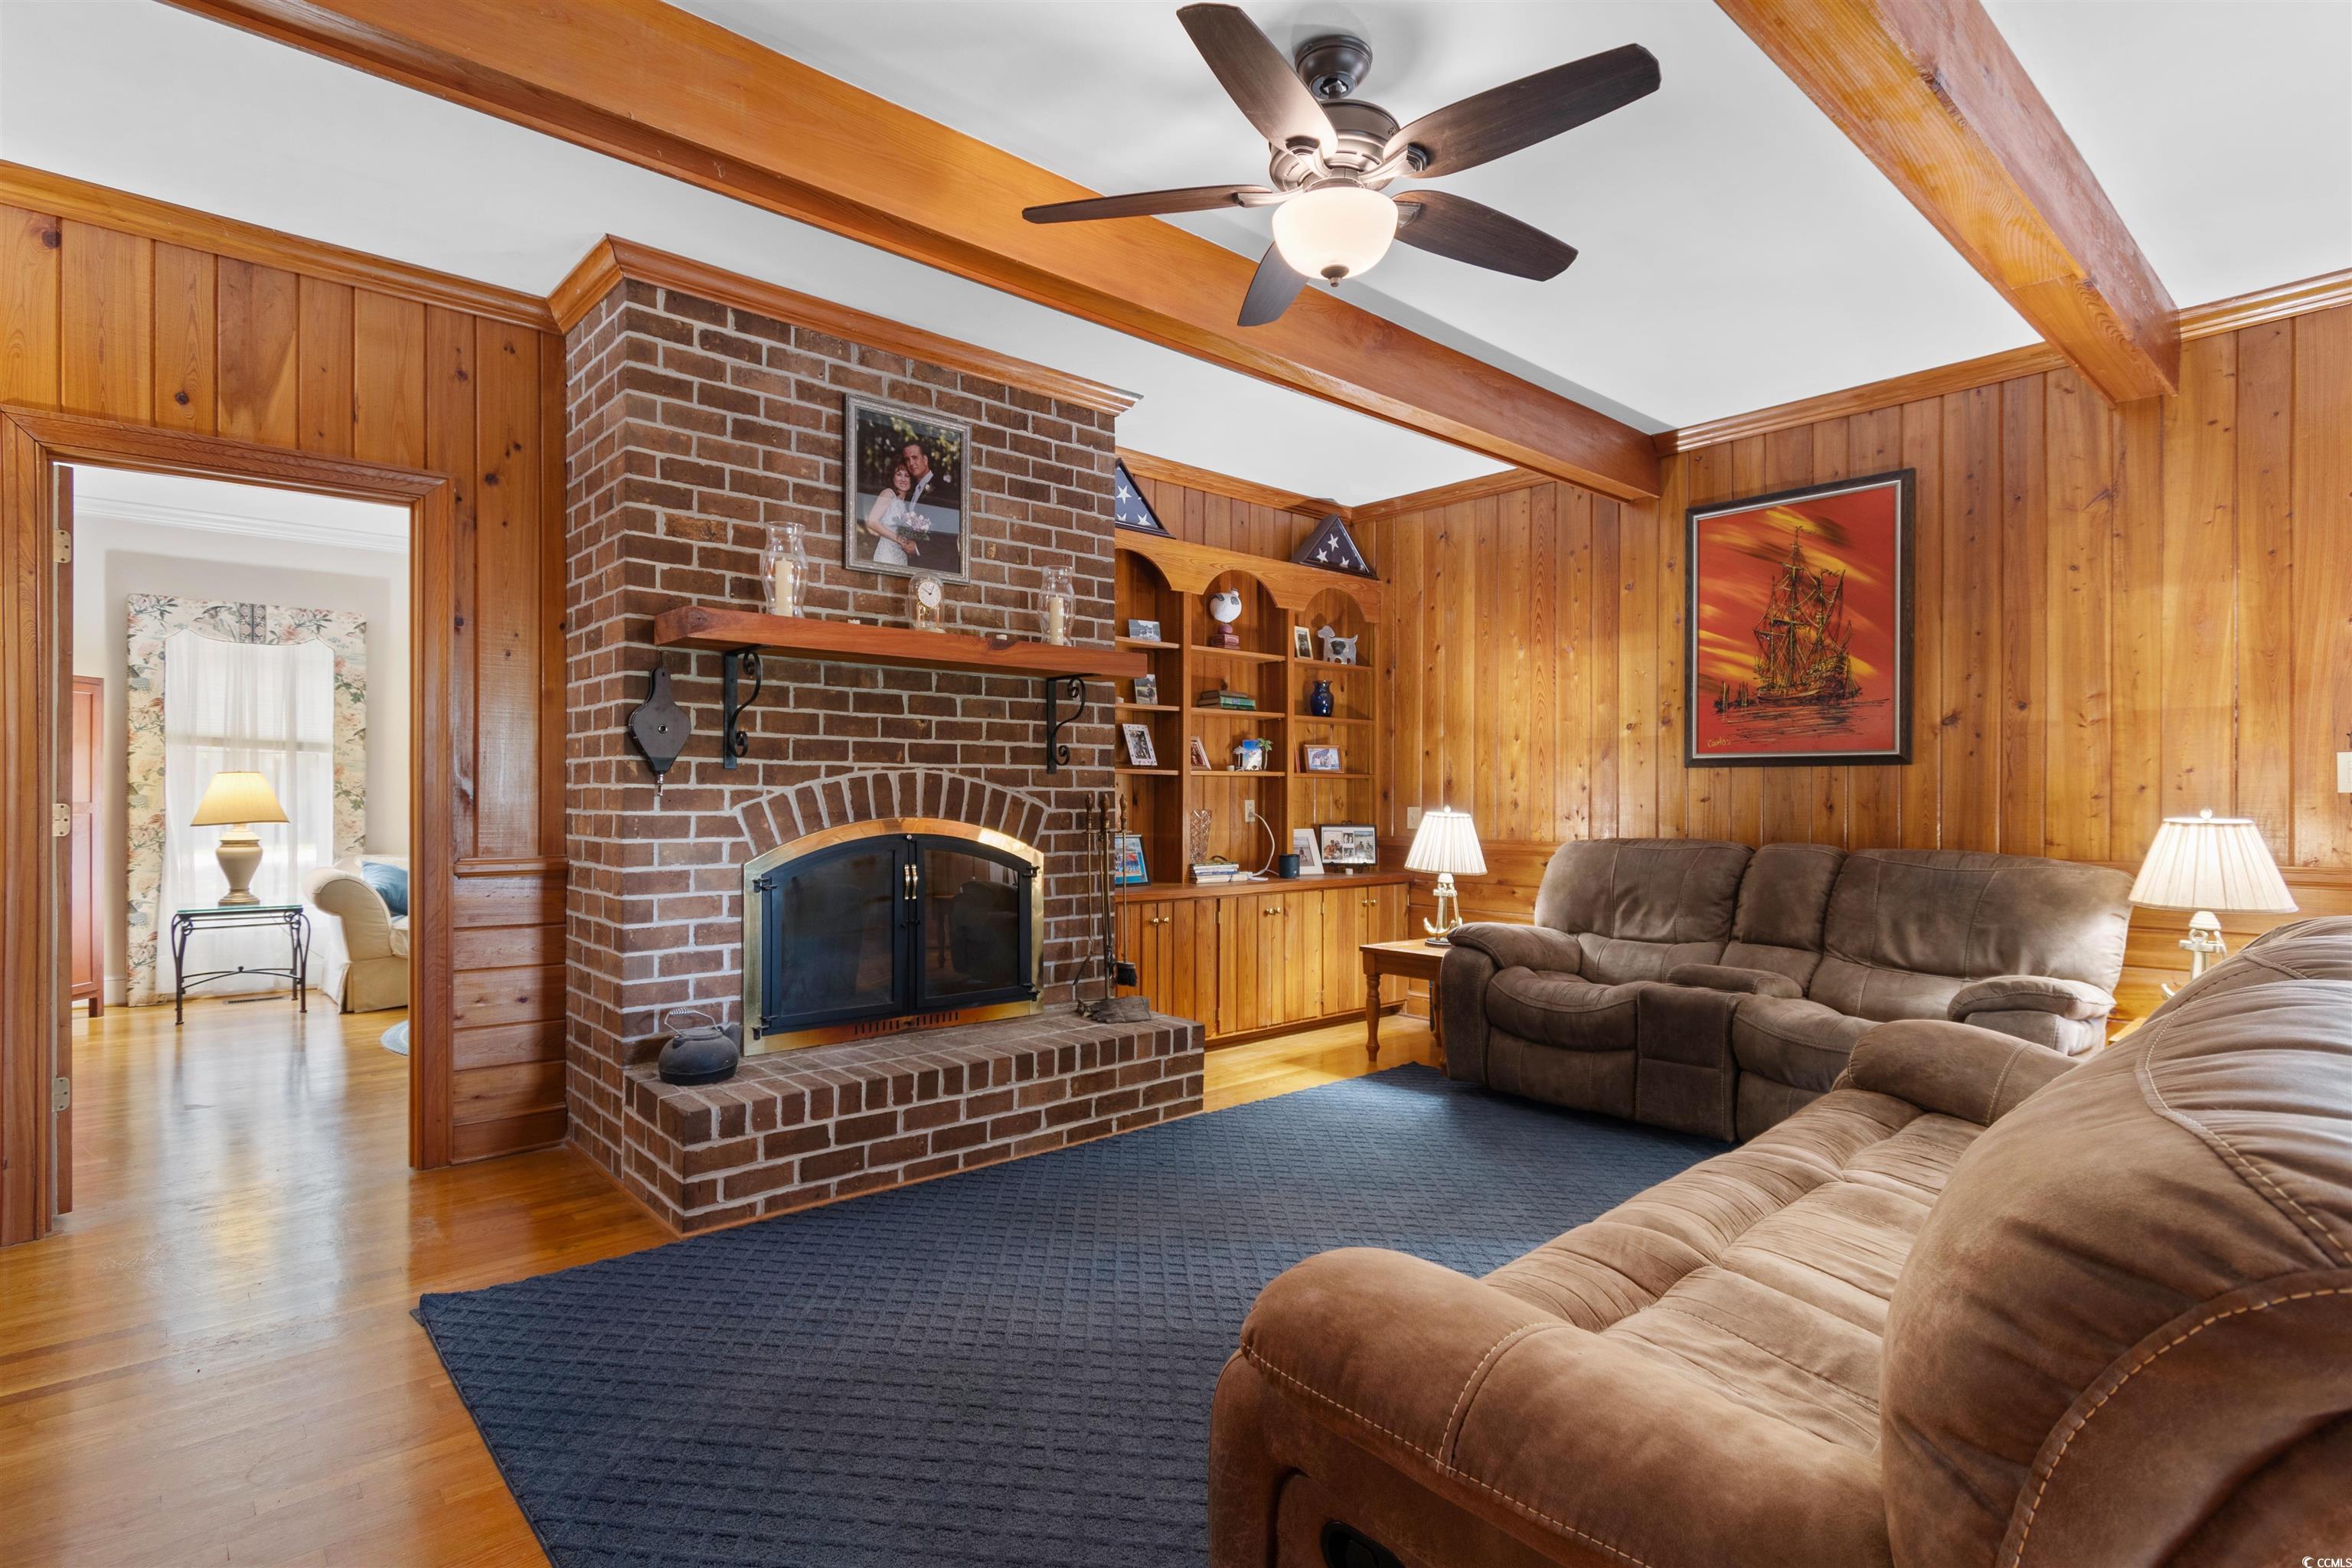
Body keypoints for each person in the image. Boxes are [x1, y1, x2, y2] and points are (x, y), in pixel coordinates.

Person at [863, 462, 923, 567]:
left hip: (902, 556)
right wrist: (898, 539)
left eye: (907, 476)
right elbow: (872, 522)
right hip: (887, 553)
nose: (903, 479)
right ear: (892, 477)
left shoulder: (907, 505)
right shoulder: (888, 494)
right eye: (899, 474)